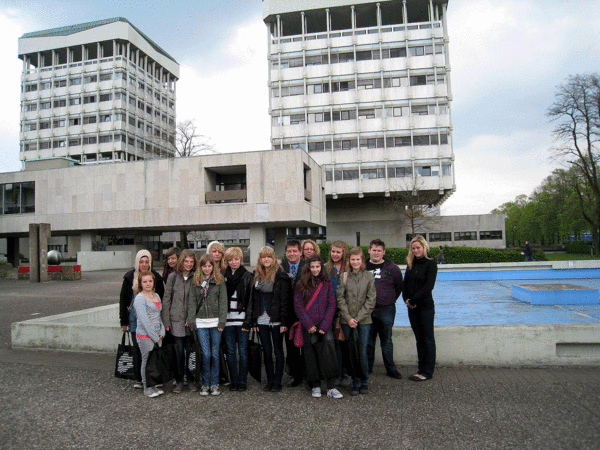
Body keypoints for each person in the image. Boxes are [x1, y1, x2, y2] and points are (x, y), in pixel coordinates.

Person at [294, 255, 343, 399]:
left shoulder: (326, 283)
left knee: (328, 354)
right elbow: (298, 306)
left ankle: (331, 386)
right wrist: (308, 324)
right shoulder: (300, 284)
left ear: (321, 267)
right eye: (312, 267)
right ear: (308, 268)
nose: (315, 269)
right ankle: (315, 385)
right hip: (308, 326)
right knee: (310, 354)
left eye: (317, 266)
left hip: (324, 325)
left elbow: (331, 304)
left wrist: (326, 324)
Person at [247, 246, 291, 392]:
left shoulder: (281, 275)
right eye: (263, 257)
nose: (266, 259)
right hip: (261, 318)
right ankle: (270, 379)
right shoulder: (256, 275)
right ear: (260, 259)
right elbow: (253, 300)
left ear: (273, 258)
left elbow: (285, 301)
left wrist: (284, 322)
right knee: (266, 350)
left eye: (269, 256)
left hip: (277, 319)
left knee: (278, 350)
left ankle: (278, 380)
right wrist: (253, 321)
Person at [119, 249, 164, 389]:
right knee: (139, 350)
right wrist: (124, 321)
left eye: (146, 262)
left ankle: (152, 378)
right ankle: (140, 379)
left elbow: (160, 300)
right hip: (134, 320)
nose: (144, 264)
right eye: (141, 262)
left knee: (152, 353)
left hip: (153, 322)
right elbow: (123, 300)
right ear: (137, 263)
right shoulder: (128, 277)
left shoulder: (156, 277)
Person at [336, 247, 376, 396]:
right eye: (352, 259)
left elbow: (371, 300)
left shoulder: (368, 277)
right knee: (351, 352)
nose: (355, 262)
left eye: (358, 259)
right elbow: (340, 298)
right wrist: (348, 318)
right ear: (349, 261)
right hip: (347, 321)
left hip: (364, 321)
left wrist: (358, 319)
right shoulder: (344, 276)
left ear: (362, 260)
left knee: (362, 351)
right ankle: (355, 381)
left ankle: (364, 381)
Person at [187, 254, 227, 396]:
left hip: (216, 322)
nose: (207, 268)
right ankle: (205, 383)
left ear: (213, 266)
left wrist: (222, 321)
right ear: (201, 267)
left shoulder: (219, 281)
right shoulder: (195, 282)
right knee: (206, 354)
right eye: (204, 266)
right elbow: (192, 302)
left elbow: (223, 302)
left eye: (210, 266)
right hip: (201, 322)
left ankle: (214, 383)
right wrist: (191, 320)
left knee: (215, 354)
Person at [366, 239, 403, 379]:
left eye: (379, 250)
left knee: (386, 340)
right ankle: (368, 368)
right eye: (374, 250)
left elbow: (399, 287)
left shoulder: (392, 268)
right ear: (369, 250)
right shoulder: (363, 266)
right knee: (369, 341)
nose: (376, 253)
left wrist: (388, 299)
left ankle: (390, 369)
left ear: (384, 252)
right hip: (368, 311)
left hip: (386, 309)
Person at [403, 235, 438, 382]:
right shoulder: (410, 264)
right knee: (419, 340)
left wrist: (413, 300)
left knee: (427, 339)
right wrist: (407, 300)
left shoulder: (431, 264)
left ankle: (427, 371)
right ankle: (420, 369)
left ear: (424, 247)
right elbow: (405, 284)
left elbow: (428, 287)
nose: (416, 250)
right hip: (412, 308)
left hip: (425, 308)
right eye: (414, 248)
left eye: (418, 247)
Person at [162, 249, 196, 393]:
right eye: (186, 261)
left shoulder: (196, 277)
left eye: (191, 262)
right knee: (178, 352)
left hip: (190, 321)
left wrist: (191, 318)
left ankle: (191, 379)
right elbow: (167, 299)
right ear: (181, 261)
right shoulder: (173, 277)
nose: (188, 264)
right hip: (176, 320)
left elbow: (196, 300)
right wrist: (166, 320)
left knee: (190, 352)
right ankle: (179, 380)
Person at [223, 247, 253, 391]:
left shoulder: (247, 276)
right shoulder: (223, 276)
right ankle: (233, 380)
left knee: (243, 351)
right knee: (230, 351)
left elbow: (250, 301)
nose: (233, 262)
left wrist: (248, 321)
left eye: (236, 259)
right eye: (230, 259)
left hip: (242, 321)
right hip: (228, 321)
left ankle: (242, 380)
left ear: (240, 259)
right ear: (227, 261)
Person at [133, 270, 165, 398]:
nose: (148, 284)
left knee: (154, 361)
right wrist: (154, 336)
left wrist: (161, 331)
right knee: (146, 360)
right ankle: (147, 387)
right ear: (141, 283)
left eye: (150, 281)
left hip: (157, 335)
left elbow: (158, 316)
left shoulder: (156, 295)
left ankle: (153, 384)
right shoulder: (139, 298)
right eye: (145, 282)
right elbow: (144, 320)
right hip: (145, 335)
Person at [325, 241, 351, 387]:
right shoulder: (325, 268)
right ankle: (336, 374)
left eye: (338, 252)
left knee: (346, 343)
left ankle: (346, 374)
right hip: (331, 312)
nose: (335, 254)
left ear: (343, 253)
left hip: (346, 312)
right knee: (334, 345)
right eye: (333, 251)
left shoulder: (349, 269)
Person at [280, 240, 305, 387]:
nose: (292, 254)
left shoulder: (307, 267)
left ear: (300, 252)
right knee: (291, 346)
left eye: (295, 251)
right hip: (287, 314)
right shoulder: (280, 267)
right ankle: (296, 375)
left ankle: (309, 373)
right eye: (289, 251)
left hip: (304, 313)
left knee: (307, 346)